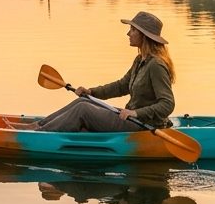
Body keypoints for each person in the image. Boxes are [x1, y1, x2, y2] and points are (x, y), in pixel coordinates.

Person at [34, 11, 176, 132]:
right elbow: (122, 86)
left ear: (144, 35)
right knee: (83, 100)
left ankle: (38, 134)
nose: (128, 33)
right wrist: (92, 92)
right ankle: (38, 126)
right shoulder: (140, 60)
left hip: (143, 125)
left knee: (83, 109)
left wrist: (136, 113)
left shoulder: (156, 65)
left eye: (133, 30)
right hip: (131, 118)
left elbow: (167, 104)